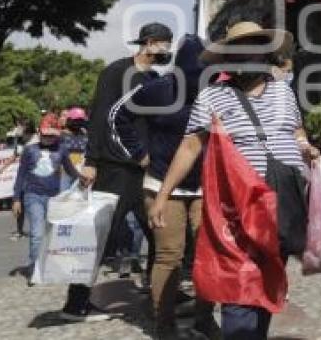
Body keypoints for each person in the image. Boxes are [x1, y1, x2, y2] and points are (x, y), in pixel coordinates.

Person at [149, 22, 320, 340]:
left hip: (284, 201)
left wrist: (306, 148)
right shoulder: (213, 96)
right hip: (238, 207)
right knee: (239, 285)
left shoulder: (284, 90)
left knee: (269, 279)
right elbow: (190, 147)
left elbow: (296, 133)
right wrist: (163, 195)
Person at [60, 22, 174, 321]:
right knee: (102, 235)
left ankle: (160, 295)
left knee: (158, 231)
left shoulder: (153, 79)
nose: (168, 50)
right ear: (149, 42)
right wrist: (91, 160)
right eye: (165, 43)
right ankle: (76, 303)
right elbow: (99, 114)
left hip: (144, 171)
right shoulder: (116, 72)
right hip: (113, 169)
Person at [111, 34, 219, 339]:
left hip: (204, 185)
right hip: (162, 185)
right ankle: (164, 323)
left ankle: (204, 318)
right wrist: (139, 153)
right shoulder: (157, 89)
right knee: (169, 254)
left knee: (206, 253)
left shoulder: (218, 91)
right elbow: (118, 116)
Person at [12, 124, 78, 284]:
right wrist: (16, 199)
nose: (48, 139)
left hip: (53, 197)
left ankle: (47, 265)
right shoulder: (29, 150)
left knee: (53, 234)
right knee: (37, 233)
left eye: (51, 136)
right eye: (45, 135)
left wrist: (83, 178)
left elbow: (70, 170)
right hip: (32, 195)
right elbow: (21, 175)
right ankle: (34, 269)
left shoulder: (61, 150)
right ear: (40, 134)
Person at [58, 108, 89, 191]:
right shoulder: (61, 135)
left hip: (81, 171)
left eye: (80, 121)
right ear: (69, 120)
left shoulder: (85, 136)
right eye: (76, 120)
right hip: (65, 171)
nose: (78, 123)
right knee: (63, 197)